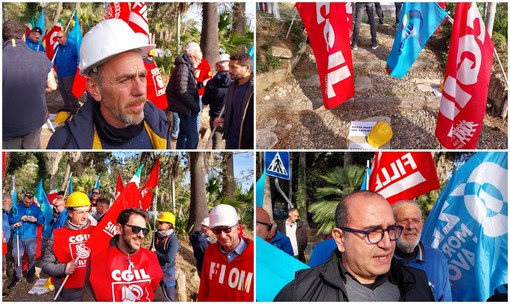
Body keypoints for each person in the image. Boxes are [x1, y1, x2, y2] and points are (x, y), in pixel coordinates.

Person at [274, 191, 434, 301]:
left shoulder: (417, 282)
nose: (387, 244)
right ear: (340, 238)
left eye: (391, 229)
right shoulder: (300, 293)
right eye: (372, 232)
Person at [47, 19, 171, 149]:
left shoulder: (158, 122)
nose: (140, 90)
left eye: (142, 76)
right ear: (94, 88)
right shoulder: (65, 143)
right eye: (125, 80)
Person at [82, 208, 165, 301]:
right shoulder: (98, 260)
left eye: (144, 231)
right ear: (119, 229)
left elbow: (158, 296)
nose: (141, 235)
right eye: (136, 229)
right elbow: (88, 298)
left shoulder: (150, 258)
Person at [3, 19, 57, 149]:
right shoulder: (41, 57)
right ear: (23, 36)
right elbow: (53, 86)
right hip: (34, 121)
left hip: (6, 126)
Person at [392, 200, 452, 301]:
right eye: (403, 220)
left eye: (415, 220)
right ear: (391, 225)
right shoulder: (383, 258)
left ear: (422, 224)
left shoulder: (437, 258)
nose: (410, 226)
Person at [42, 192, 94, 301]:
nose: (85, 216)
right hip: (69, 291)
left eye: (87, 211)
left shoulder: (96, 231)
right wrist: (64, 268)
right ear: (70, 212)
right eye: (80, 212)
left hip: (92, 289)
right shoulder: (57, 235)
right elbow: (46, 265)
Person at [198, 204, 254, 301]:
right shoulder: (210, 252)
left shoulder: (254, 257)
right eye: (217, 231)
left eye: (227, 229)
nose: (223, 235)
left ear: (238, 228)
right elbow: (204, 287)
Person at [213, 53, 253, 149]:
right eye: (229, 67)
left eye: (234, 67)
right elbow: (232, 111)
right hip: (231, 139)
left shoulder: (253, 89)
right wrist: (223, 119)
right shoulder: (232, 86)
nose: (229, 71)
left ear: (247, 67)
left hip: (246, 142)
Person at [166, 42, 201, 149]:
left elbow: (185, 86)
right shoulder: (183, 68)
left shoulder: (186, 67)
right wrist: (195, 106)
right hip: (186, 109)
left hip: (185, 108)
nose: (200, 62)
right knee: (192, 137)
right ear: (191, 57)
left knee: (184, 134)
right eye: (198, 59)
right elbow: (182, 91)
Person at [7, 192, 43, 288]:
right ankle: (17, 277)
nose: (28, 204)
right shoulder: (16, 207)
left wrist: (35, 220)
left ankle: (30, 274)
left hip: (30, 237)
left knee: (31, 255)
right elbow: (9, 219)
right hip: (17, 236)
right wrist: (20, 218)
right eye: (26, 202)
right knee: (17, 256)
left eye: (30, 202)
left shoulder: (36, 208)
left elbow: (42, 219)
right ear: (23, 199)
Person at [202, 54, 231, 149]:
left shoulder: (211, 83)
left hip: (216, 117)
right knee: (231, 142)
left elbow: (205, 101)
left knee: (217, 143)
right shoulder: (236, 82)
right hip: (232, 117)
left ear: (217, 66)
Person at [150, 212, 178, 301]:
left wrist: (155, 253)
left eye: (161, 223)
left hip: (167, 271)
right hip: (156, 268)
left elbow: (169, 259)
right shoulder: (155, 235)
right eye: (159, 222)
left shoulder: (173, 238)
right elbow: (151, 250)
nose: (159, 224)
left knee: (168, 297)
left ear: (169, 225)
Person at [54, 31, 80, 111]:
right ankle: (67, 106)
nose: (58, 39)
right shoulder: (57, 47)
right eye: (57, 37)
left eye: (60, 37)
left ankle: (76, 106)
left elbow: (79, 57)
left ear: (65, 37)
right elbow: (55, 59)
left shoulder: (73, 46)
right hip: (60, 72)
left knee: (69, 90)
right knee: (62, 90)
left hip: (69, 72)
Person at [2, 195, 12, 279]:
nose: (11, 205)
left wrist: (13, 226)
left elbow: (6, 226)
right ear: (4, 202)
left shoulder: (5, 212)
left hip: (4, 243)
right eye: (10, 203)